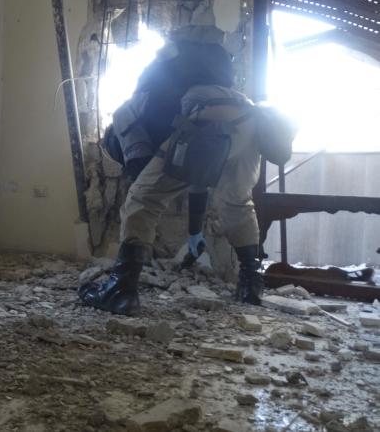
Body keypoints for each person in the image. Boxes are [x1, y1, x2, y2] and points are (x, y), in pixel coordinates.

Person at [80, 25, 263, 316]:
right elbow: (196, 177)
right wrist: (193, 230)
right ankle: (251, 286)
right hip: (247, 120)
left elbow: (145, 186)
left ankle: (121, 291)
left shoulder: (126, 119)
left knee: (141, 202)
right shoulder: (206, 68)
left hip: (201, 121)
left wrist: (141, 197)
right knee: (237, 201)